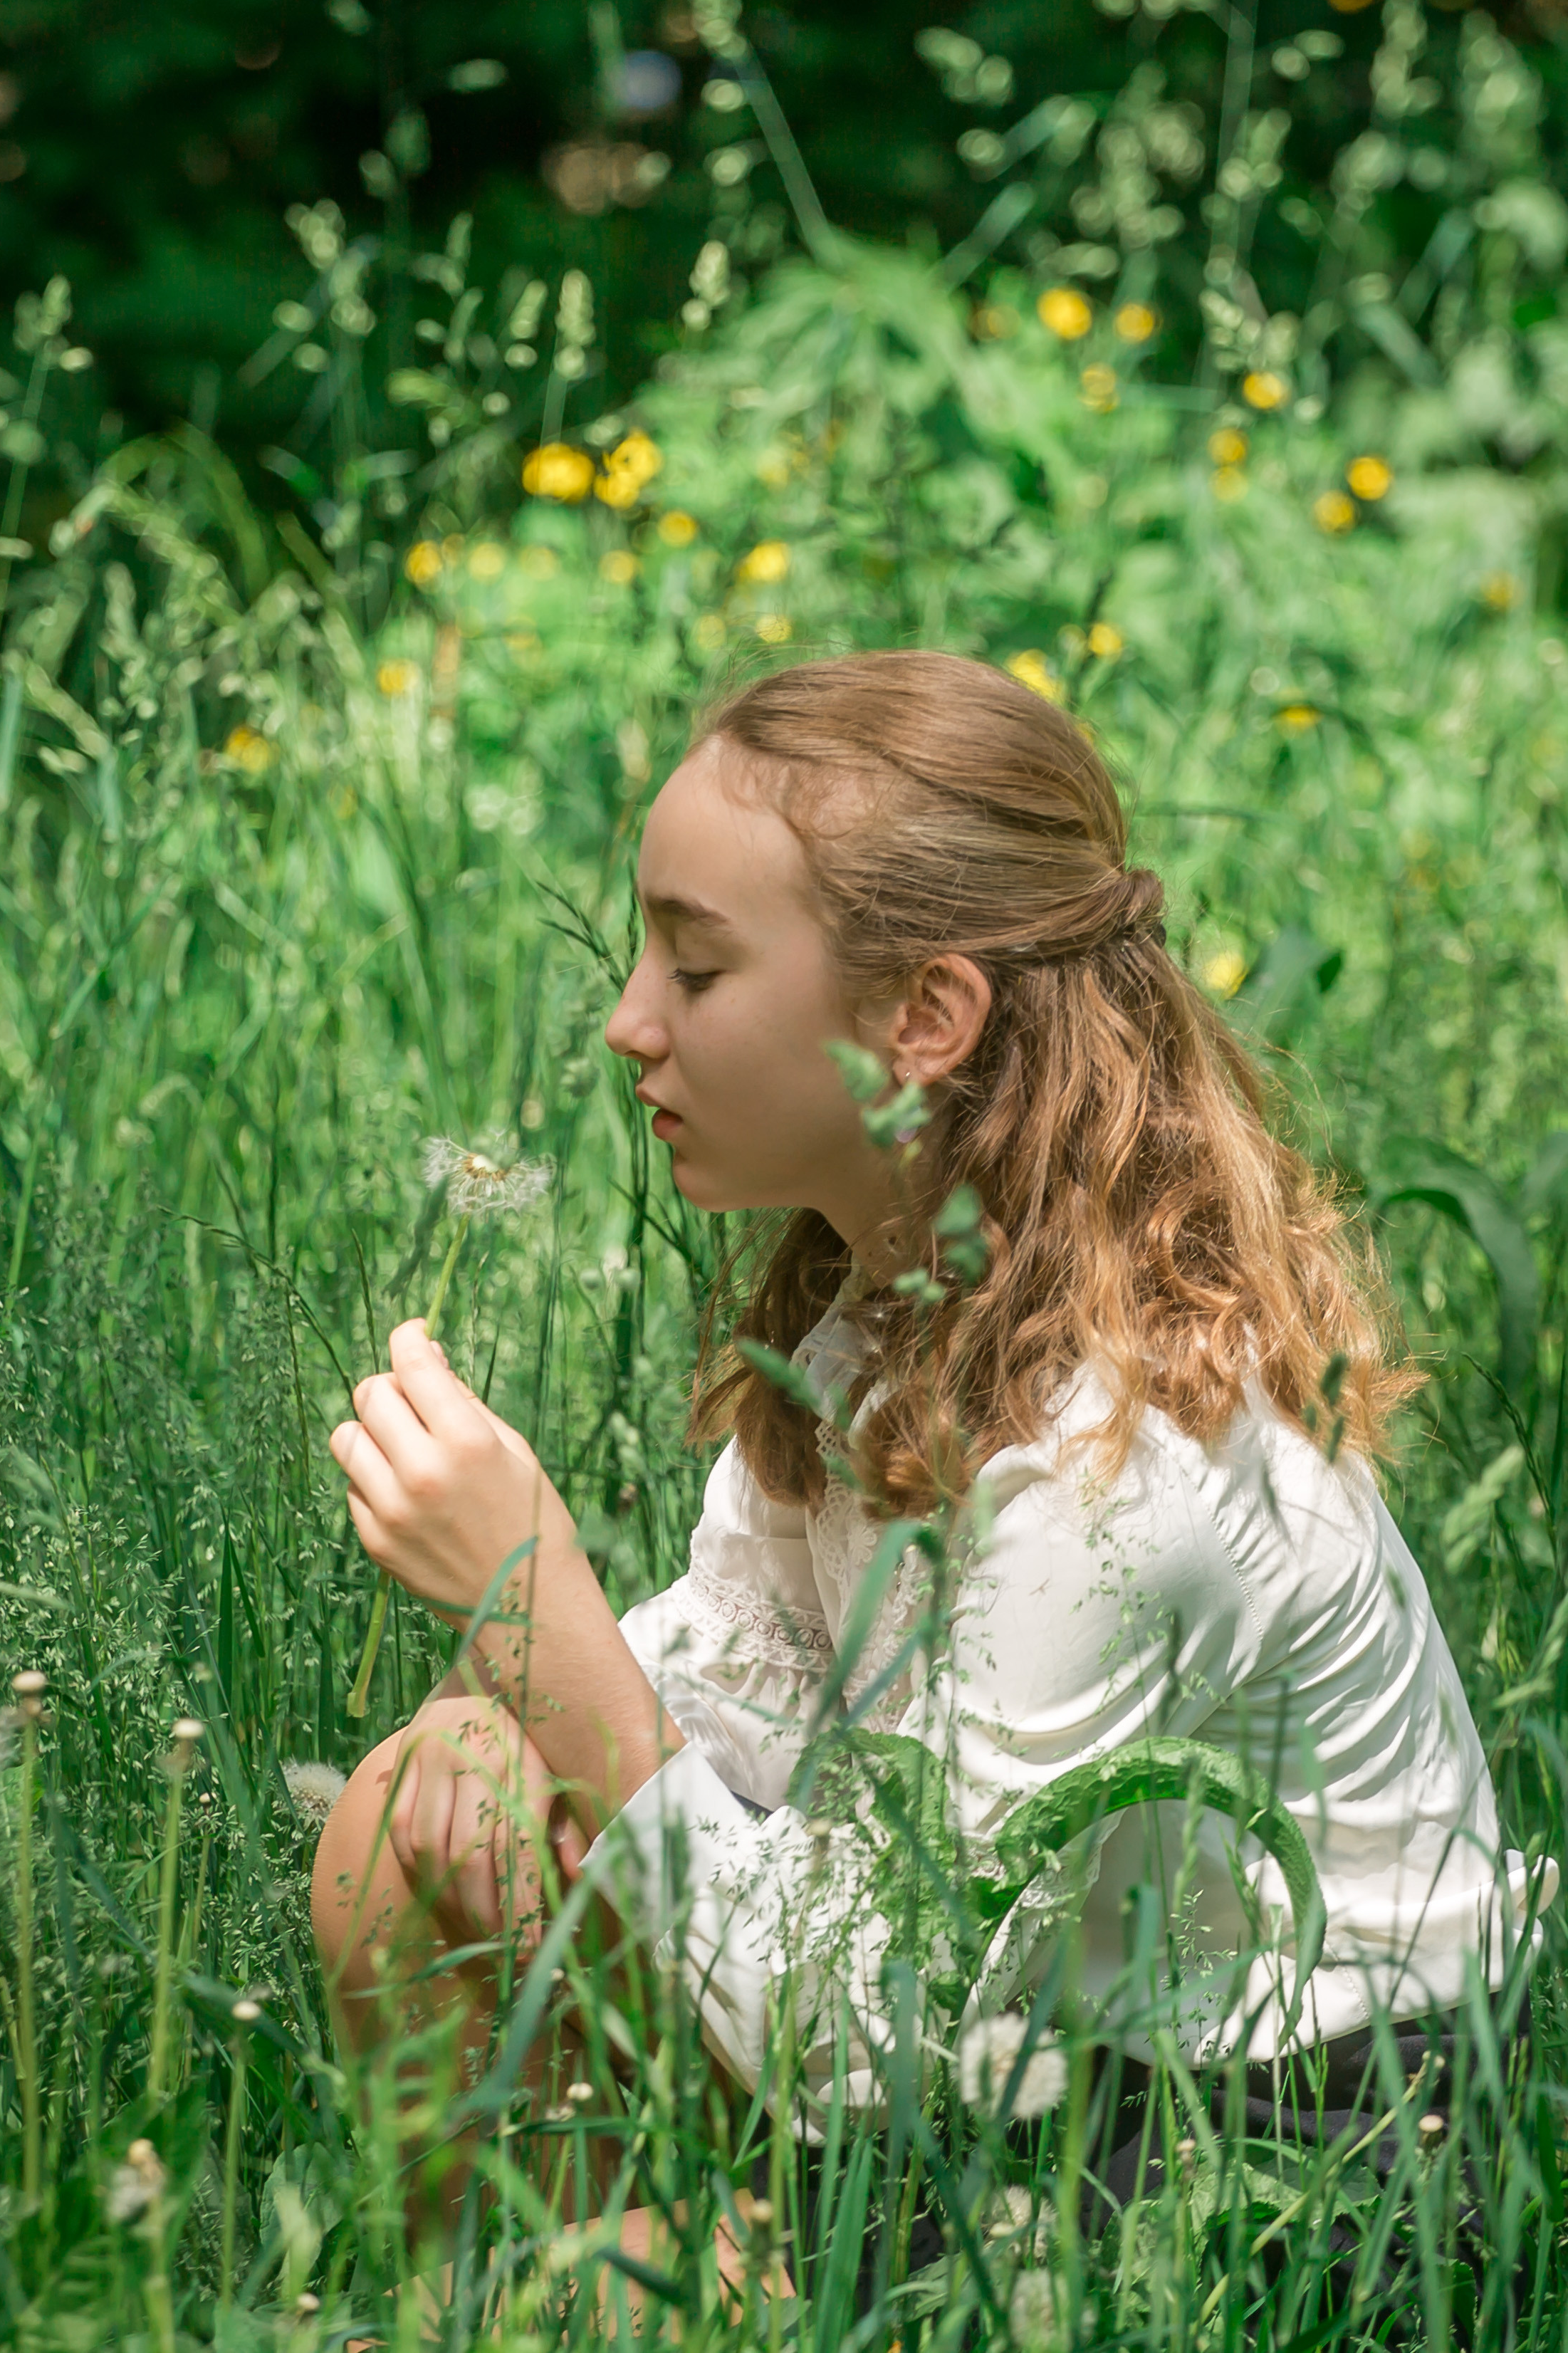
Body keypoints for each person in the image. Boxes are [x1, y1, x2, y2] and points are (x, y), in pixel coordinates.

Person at [313, 649, 1555, 2309]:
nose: (628, 1022)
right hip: (1012, 2051)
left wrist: (532, 1601)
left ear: (923, 1019)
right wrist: (528, 1679)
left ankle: (631, 2301)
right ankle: (526, 2305)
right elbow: (709, 1743)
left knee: (531, 1796)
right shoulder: (862, 1312)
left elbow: (865, 2033)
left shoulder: (1116, 1463)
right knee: (433, 1798)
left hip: (1283, 2155)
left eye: (695, 964)